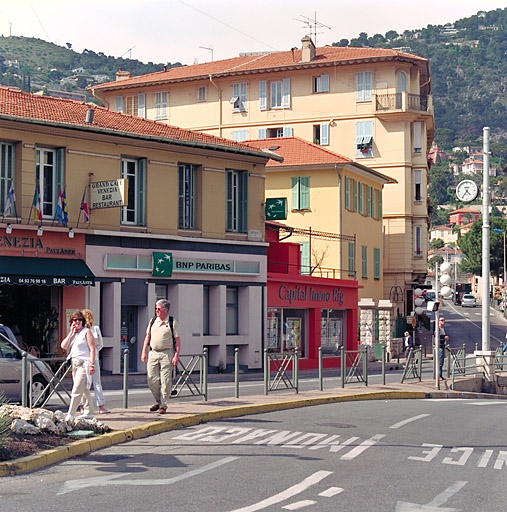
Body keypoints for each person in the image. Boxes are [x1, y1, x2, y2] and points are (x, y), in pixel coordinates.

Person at [140, 299, 181, 414]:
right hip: (153, 353)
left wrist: (176, 355)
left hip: (166, 353)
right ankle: (158, 401)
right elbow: (147, 337)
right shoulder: (153, 321)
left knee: (166, 380)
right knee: (151, 379)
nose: (156, 311)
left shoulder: (172, 322)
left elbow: (177, 341)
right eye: (156, 309)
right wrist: (143, 351)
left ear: (166, 310)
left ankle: (163, 405)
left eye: (159, 309)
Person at [61, 309, 96, 421]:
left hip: (83, 364)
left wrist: (92, 364)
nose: (77, 322)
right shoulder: (74, 334)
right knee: (84, 388)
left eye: (79, 320)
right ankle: (89, 411)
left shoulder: (87, 332)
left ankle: (70, 413)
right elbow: (64, 346)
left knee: (76, 389)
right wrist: (71, 332)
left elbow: (92, 349)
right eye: (74, 320)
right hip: (74, 363)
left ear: (83, 321)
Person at [82, 309, 109, 414]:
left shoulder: (82, 331)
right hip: (95, 358)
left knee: (84, 383)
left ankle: (84, 407)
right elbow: (101, 344)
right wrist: (94, 352)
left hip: (84, 359)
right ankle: (101, 406)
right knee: (97, 382)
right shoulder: (95, 329)